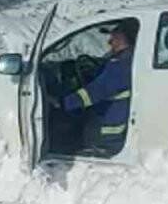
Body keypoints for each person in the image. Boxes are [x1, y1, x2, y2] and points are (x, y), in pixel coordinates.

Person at [57, 19, 136, 155]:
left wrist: (62, 103)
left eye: (115, 37)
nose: (110, 41)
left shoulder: (121, 66)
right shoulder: (128, 60)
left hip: (108, 131)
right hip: (116, 120)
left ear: (127, 39)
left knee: (68, 133)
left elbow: (94, 93)